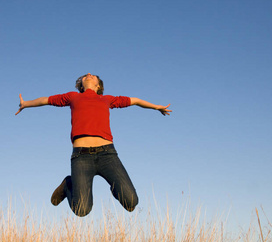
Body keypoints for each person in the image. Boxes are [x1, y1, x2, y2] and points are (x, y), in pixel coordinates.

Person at [15, 73, 171, 217]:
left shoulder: (107, 99)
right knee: (82, 210)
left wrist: (156, 107)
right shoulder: (73, 96)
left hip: (107, 155)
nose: (89, 75)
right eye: (85, 76)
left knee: (131, 203)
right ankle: (67, 185)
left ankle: (116, 186)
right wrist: (26, 104)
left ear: (98, 86)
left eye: (93, 76)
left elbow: (135, 100)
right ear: (81, 85)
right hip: (81, 157)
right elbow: (46, 100)